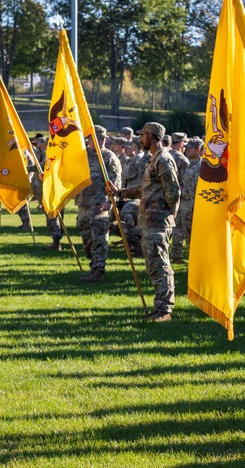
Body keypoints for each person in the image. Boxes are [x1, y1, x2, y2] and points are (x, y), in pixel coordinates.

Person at [110, 122, 180, 322]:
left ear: (151, 136)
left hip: (159, 220)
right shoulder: (154, 160)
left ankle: (165, 309)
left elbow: (173, 191)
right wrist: (121, 193)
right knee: (153, 264)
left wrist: (169, 213)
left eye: (143, 135)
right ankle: (159, 307)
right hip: (149, 220)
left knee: (160, 264)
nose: (140, 139)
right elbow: (146, 188)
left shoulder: (164, 160)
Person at [75, 125, 122, 282]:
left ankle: (98, 270)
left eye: (103, 138)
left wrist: (111, 201)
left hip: (100, 204)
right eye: (97, 138)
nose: (101, 141)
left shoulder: (108, 157)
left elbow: (116, 181)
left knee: (99, 237)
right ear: (89, 139)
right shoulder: (81, 156)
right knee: (86, 236)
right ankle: (93, 265)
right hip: (83, 202)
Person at [172, 137, 204, 263]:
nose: (187, 150)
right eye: (187, 148)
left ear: (198, 149)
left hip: (192, 206)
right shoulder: (191, 164)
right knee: (186, 235)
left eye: (190, 148)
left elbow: (196, 189)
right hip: (185, 206)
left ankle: (196, 263)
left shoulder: (200, 166)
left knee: (193, 236)